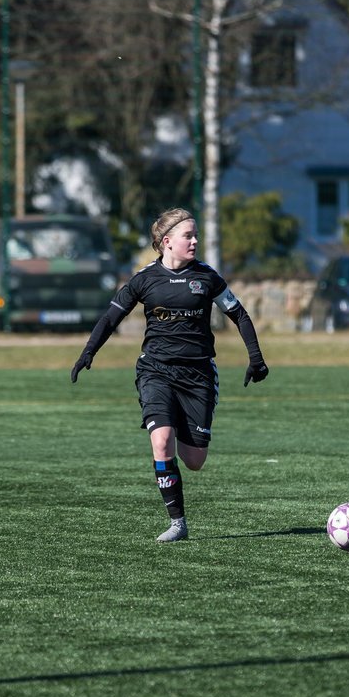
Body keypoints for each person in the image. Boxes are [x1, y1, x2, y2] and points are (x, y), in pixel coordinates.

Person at [70, 207, 269, 542]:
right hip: (155, 370)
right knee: (161, 441)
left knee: (194, 460)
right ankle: (178, 522)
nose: (195, 241)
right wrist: (88, 352)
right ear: (167, 242)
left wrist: (256, 359)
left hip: (198, 374)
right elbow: (111, 317)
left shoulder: (207, 277)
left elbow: (240, 315)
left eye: (195, 235)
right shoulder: (144, 279)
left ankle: (184, 429)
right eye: (188, 235)